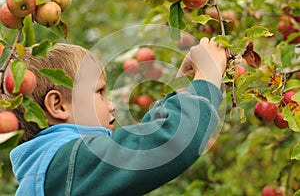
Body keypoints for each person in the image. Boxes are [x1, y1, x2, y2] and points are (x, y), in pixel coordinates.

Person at [8, 36, 226, 196]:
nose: (111, 105)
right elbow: (168, 142)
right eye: (100, 92)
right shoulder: (69, 163)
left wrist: (183, 90)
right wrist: (207, 78)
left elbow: (140, 146)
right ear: (58, 105)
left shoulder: (49, 172)